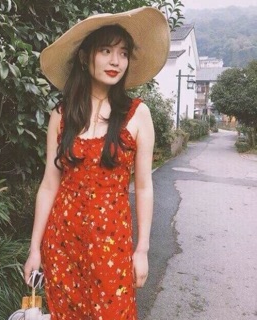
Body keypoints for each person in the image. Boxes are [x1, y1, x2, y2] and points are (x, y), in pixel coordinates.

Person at [24, 6, 170, 320]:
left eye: (123, 52)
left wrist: (142, 249)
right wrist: (35, 248)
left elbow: (144, 187)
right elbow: (50, 184)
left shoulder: (137, 114)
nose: (116, 61)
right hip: (61, 244)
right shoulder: (61, 116)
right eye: (106, 50)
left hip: (112, 245)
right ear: (84, 56)